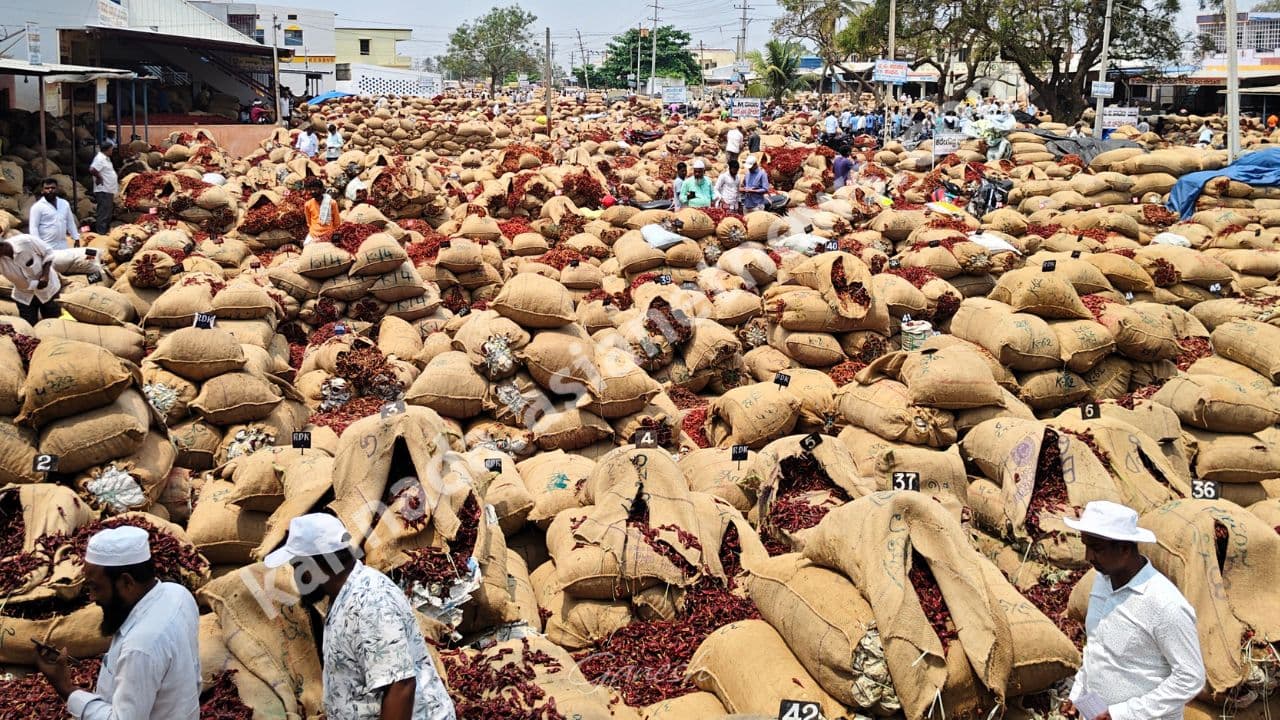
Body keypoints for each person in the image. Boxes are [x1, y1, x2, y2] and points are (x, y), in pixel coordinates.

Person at [265, 514, 455, 720]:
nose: (296, 577)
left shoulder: (370, 603)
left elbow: (401, 686)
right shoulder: (344, 596)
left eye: (297, 566)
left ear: (314, 565)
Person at [35, 525, 200, 720]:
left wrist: (66, 688)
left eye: (96, 587)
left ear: (127, 582)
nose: (92, 597)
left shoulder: (141, 646)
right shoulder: (178, 594)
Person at [1063, 501, 1205, 720]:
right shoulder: (1102, 581)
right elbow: (1097, 650)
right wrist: (1078, 695)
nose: (1088, 556)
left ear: (1124, 548)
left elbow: (1190, 677)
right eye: (1086, 546)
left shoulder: (1164, 604)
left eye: (1097, 549)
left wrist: (1122, 713)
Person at [0, 234, 61, 325]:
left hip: (49, 291)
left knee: (52, 324)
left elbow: (48, 253)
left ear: (2, 246)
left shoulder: (26, 241)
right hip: (24, 296)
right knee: (28, 327)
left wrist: (45, 275)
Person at [30, 178, 80, 251]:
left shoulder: (64, 204)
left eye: (53, 188)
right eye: (47, 188)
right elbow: (34, 227)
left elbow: (70, 222)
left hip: (63, 245)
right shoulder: (37, 207)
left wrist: (76, 238)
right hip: (46, 246)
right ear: (42, 191)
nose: (50, 190)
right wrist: (38, 246)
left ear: (57, 189)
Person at [89, 141, 117, 234]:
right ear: (107, 150)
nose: (112, 151)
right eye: (111, 149)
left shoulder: (106, 158)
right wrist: (99, 177)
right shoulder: (100, 158)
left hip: (108, 189)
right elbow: (92, 169)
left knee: (107, 212)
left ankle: (104, 231)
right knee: (103, 212)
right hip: (103, 189)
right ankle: (101, 233)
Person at [303, 179, 340, 245]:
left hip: (328, 234)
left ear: (321, 189)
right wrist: (316, 232)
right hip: (313, 234)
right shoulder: (308, 204)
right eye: (310, 189)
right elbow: (309, 223)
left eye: (315, 189)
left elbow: (337, 222)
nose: (313, 191)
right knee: (305, 245)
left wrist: (332, 235)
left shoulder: (332, 203)